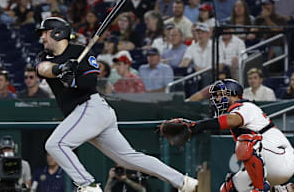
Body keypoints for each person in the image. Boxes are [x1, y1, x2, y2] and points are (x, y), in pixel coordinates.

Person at [35, 17, 198, 192]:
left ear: (57, 33)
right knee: (128, 159)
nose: (42, 38)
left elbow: (90, 82)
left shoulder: (80, 52)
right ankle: (185, 183)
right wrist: (61, 70)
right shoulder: (44, 56)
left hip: (91, 108)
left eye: (45, 33)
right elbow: (43, 68)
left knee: (55, 144)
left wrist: (73, 79)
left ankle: (87, 186)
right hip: (86, 115)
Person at [165, 79, 294, 191]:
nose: (217, 99)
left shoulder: (246, 106)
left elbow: (232, 120)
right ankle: (280, 190)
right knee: (228, 187)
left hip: (280, 158)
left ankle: (262, 190)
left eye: (220, 95)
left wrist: (198, 126)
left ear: (234, 94)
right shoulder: (239, 109)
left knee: (245, 142)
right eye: (215, 96)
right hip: (268, 163)